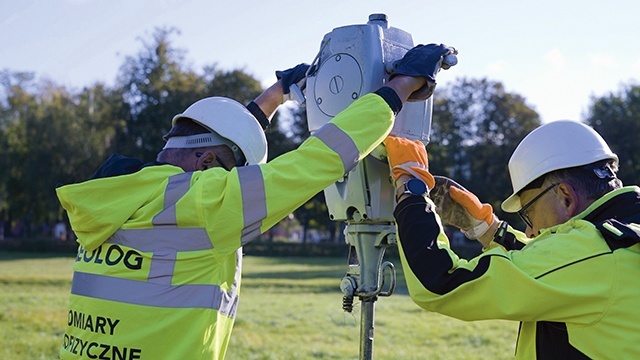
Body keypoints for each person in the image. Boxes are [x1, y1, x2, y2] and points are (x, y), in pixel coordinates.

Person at [56, 43, 457, 359]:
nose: (237, 184)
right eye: (234, 173)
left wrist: (276, 95)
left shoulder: (118, 190)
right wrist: (401, 86)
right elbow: (316, 162)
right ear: (211, 165)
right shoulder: (204, 203)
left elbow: (216, 146)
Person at [385, 120, 640, 359]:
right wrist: (489, 230)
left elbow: (441, 283)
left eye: (528, 213)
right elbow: (559, 266)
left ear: (565, 197)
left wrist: (411, 189)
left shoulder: (595, 254)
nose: (529, 232)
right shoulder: (622, 240)